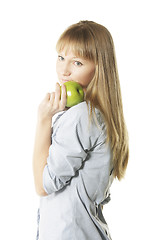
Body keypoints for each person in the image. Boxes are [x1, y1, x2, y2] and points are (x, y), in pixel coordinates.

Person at [32, 20, 129, 240]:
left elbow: (43, 185)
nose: (64, 71)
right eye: (61, 57)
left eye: (77, 63)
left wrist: (43, 119)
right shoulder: (100, 115)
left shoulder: (80, 115)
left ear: (99, 68)